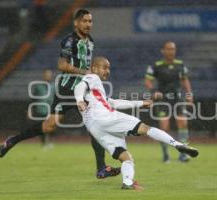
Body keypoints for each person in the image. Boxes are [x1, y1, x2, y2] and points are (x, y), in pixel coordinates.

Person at [0, 9, 120, 179]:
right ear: (76, 23)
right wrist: (84, 72)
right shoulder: (69, 41)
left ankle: (101, 168)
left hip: (83, 90)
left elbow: (86, 64)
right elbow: (62, 65)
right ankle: (13, 140)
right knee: (49, 126)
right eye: (84, 21)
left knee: (95, 125)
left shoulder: (90, 41)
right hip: (66, 89)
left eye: (90, 21)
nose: (88, 24)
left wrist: (95, 73)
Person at [75, 57, 199, 190]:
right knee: (145, 128)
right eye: (104, 67)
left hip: (94, 127)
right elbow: (80, 86)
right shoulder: (92, 77)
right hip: (105, 116)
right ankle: (178, 144)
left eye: (109, 68)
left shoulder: (96, 93)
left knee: (125, 157)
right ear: (94, 68)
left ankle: (127, 183)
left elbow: (115, 103)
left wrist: (140, 103)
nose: (108, 71)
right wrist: (79, 100)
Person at [145, 41, 194, 163]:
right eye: (168, 49)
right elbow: (148, 81)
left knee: (183, 122)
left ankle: (183, 154)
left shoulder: (180, 65)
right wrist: (153, 90)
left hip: (177, 98)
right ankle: (166, 154)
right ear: (163, 51)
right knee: (164, 125)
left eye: (173, 49)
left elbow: (185, 81)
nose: (171, 51)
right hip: (163, 99)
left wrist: (189, 94)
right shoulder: (156, 66)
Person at [32, 69, 54, 148]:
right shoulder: (38, 86)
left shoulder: (53, 85)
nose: (48, 76)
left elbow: (56, 97)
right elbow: (33, 99)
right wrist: (30, 110)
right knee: (41, 127)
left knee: (51, 126)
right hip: (40, 110)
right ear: (43, 75)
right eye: (47, 74)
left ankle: (49, 141)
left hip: (51, 110)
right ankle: (43, 142)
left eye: (49, 74)